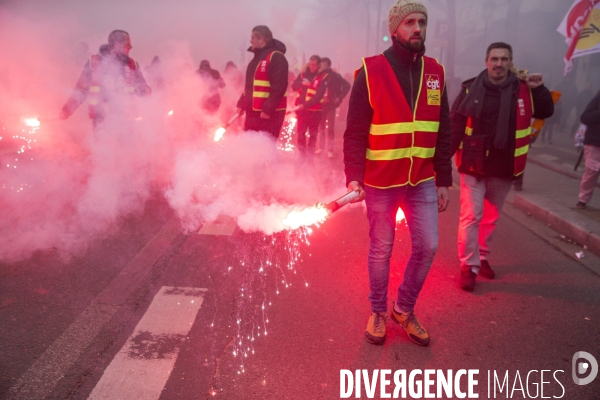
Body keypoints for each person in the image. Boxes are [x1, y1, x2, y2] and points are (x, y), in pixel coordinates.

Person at [344, 0, 451, 346]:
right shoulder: (370, 70)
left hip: (421, 179)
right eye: (409, 23)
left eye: (422, 22)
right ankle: (377, 311)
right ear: (394, 30)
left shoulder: (436, 72)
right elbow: (355, 130)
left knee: (429, 246)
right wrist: (353, 175)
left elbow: (444, 129)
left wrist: (444, 179)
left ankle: (403, 309)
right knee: (381, 249)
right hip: (380, 181)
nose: (417, 28)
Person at [450, 42, 554, 291]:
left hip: (505, 166)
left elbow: (546, 111)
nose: (499, 64)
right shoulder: (469, 88)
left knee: (491, 217)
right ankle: (469, 266)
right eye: (494, 59)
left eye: (504, 59)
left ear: (510, 62)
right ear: (486, 61)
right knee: (471, 216)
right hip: (473, 164)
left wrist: (539, 89)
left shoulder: (523, 89)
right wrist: (442, 162)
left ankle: (482, 256)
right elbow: (454, 125)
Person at [59, 30, 151, 127]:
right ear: (117, 45)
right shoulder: (94, 63)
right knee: (103, 142)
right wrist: (66, 111)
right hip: (101, 121)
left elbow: (142, 89)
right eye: (127, 45)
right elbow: (81, 91)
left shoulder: (132, 64)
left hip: (126, 121)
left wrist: (146, 90)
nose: (130, 48)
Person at [236, 25, 288, 139]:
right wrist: (241, 103)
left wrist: (268, 109)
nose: (251, 41)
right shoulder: (256, 59)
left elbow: (279, 87)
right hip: (253, 113)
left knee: (266, 149)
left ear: (261, 39)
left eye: (253, 38)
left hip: (269, 115)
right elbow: (250, 87)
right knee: (250, 147)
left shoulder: (276, 57)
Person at [291, 55, 329, 162]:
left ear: (319, 65)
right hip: (302, 111)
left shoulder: (324, 77)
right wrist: (301, 83)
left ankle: (310, 158)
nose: (311, 67)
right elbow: (293, 86)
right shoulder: (303, 74)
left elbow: (319, 96)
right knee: (301, 134)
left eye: (314, 65)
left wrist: (310, 85)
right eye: (310, 64)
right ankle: (301, 157)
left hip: (315, 111)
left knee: (313, 135)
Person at [316, 57, 351, 158]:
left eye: (325, 65)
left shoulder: (335, 76)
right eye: (321, 65)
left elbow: (347, 85)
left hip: (331, 105)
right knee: (321, 127)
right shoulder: (319, 75)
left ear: (329, 66)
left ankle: (330, 150)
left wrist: (339, 98)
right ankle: (321, 148)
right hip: (320, 105)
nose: (323, 67)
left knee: (330, 128)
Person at [576, 89, 600, 209]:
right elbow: (585, 118)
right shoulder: (597, 100)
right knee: (591, 174)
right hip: (595, 143)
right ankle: (582, 200)